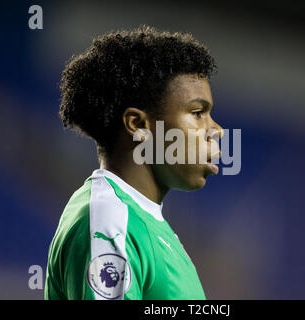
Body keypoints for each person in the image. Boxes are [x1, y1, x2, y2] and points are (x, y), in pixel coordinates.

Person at [45, 26, 223, 300]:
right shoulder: (110, 220)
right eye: (198, 113)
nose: (217, 130)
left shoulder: (145, 222)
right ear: (139, 125)